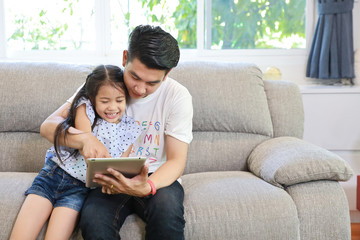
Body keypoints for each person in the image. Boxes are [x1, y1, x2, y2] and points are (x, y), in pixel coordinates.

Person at [39, 25, 193, 239]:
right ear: (124, 58)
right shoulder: (105, 84)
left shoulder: (178, 96)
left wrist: (147, 186)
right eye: (135, 77)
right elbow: (49, 125)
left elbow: (176, 161)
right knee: (93, 219)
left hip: (156, 176)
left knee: (167, 215)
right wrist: (85, 139)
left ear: (167, 75)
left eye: (151, 83)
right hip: (110, 176)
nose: (139, 89)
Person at [10, 65, 141, 240]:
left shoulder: (129, 128)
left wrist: (114, 181)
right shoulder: (85, 108)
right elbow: (85, 141)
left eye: (119, 100)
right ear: (93, 99)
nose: (112, 107)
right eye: (104, 101)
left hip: (78, 190)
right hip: (53, 175)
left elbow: (120, 166)